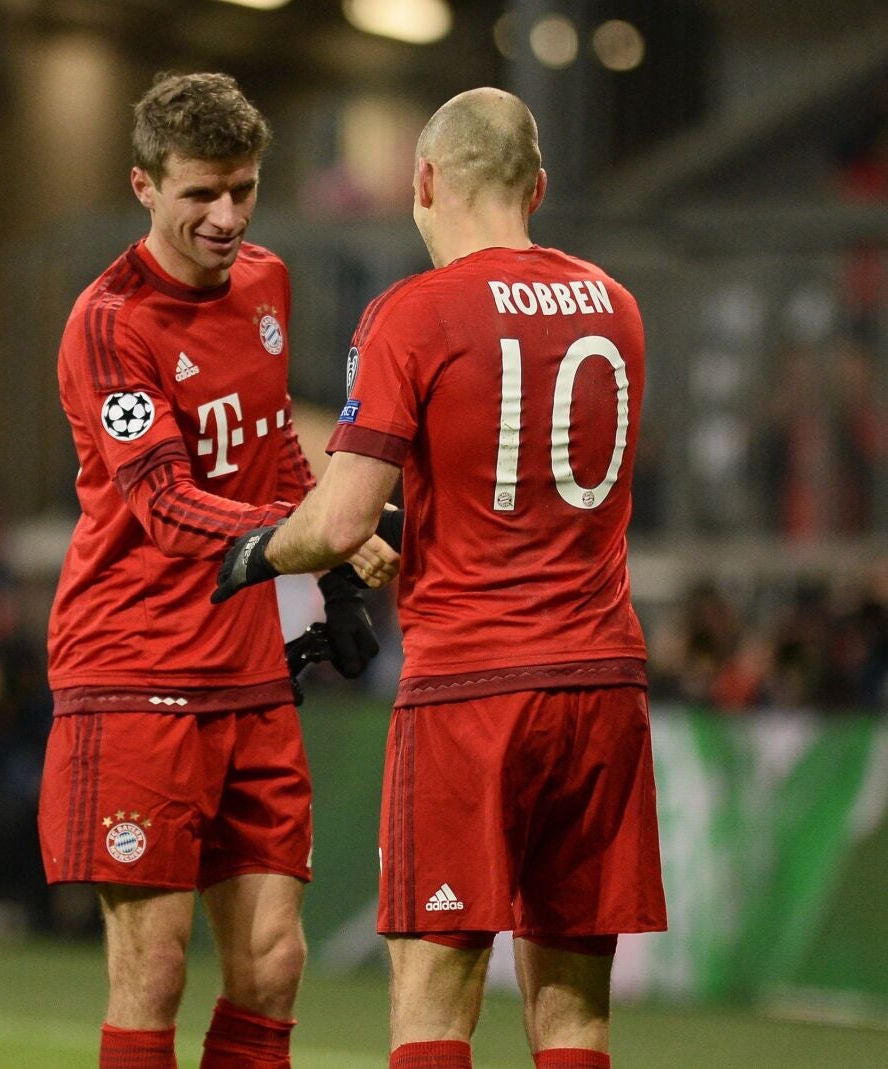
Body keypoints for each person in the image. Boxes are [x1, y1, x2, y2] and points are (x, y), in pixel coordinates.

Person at [210, 88, 665, 1069]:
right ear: (534, 187)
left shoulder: (413, 312)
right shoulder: (615, 305)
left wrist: (250, 551)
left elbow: (334, 519)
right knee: (575, 1016)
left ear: (423, 181)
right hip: (601, 686)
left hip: (473, 687)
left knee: (431, 1005)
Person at [37, 72, 396, 1069]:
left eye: (242, 190)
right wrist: (310, 539)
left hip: (247, 672)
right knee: (152, 971)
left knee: (274, 961)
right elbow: (163, 503)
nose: (226, 215)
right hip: (133, 669)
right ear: (144, 186)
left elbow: (272, 445)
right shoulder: (108, 322)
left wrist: (329, 572)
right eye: (201, 193)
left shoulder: (266, 284)